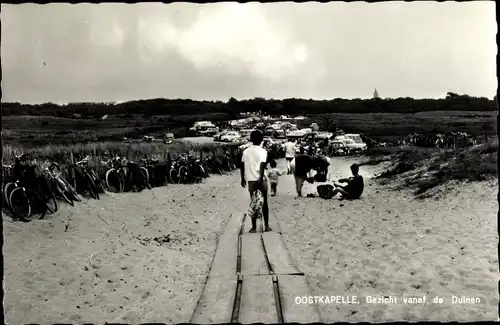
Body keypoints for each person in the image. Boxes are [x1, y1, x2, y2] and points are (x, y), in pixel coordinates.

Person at [240, 130, 272, 232]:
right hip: (261, 179)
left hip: (251, 181)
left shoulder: (245, 151)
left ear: (251, 139)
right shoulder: (263, 151)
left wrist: (242, 178)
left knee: (253, 202)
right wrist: (260, 177)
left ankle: (253, 227)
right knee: (264, 203)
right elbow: (262, 165)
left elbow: (241, 165)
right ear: (262, 140)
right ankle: (266, 226)